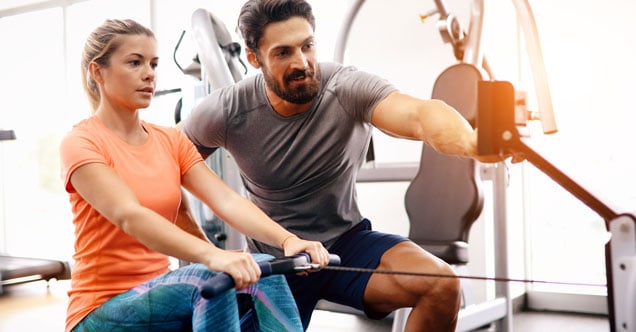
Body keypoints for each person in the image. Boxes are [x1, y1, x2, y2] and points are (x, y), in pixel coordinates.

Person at [180, 0, 517, 330]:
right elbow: (164, 162)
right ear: (254, 58)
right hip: (277, 261)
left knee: (441, 285)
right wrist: (201, 250)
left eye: (307, 46)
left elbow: (419, 116)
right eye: (283, 53)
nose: (302, 63)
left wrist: (472, 143)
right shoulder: (228, 110)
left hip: (346, 245)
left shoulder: (344, 87)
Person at [59, 18, 331, 332]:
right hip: (100, 310)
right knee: (212, 278)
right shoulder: (81, 142)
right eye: (135, 63)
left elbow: (226, 200)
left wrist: (288, 241)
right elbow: (129, 215)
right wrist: (213, 256)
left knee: (265, 270)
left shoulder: (170, 140)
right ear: (98, 72)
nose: (149, 74)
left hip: (161, 291)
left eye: (154, 64)